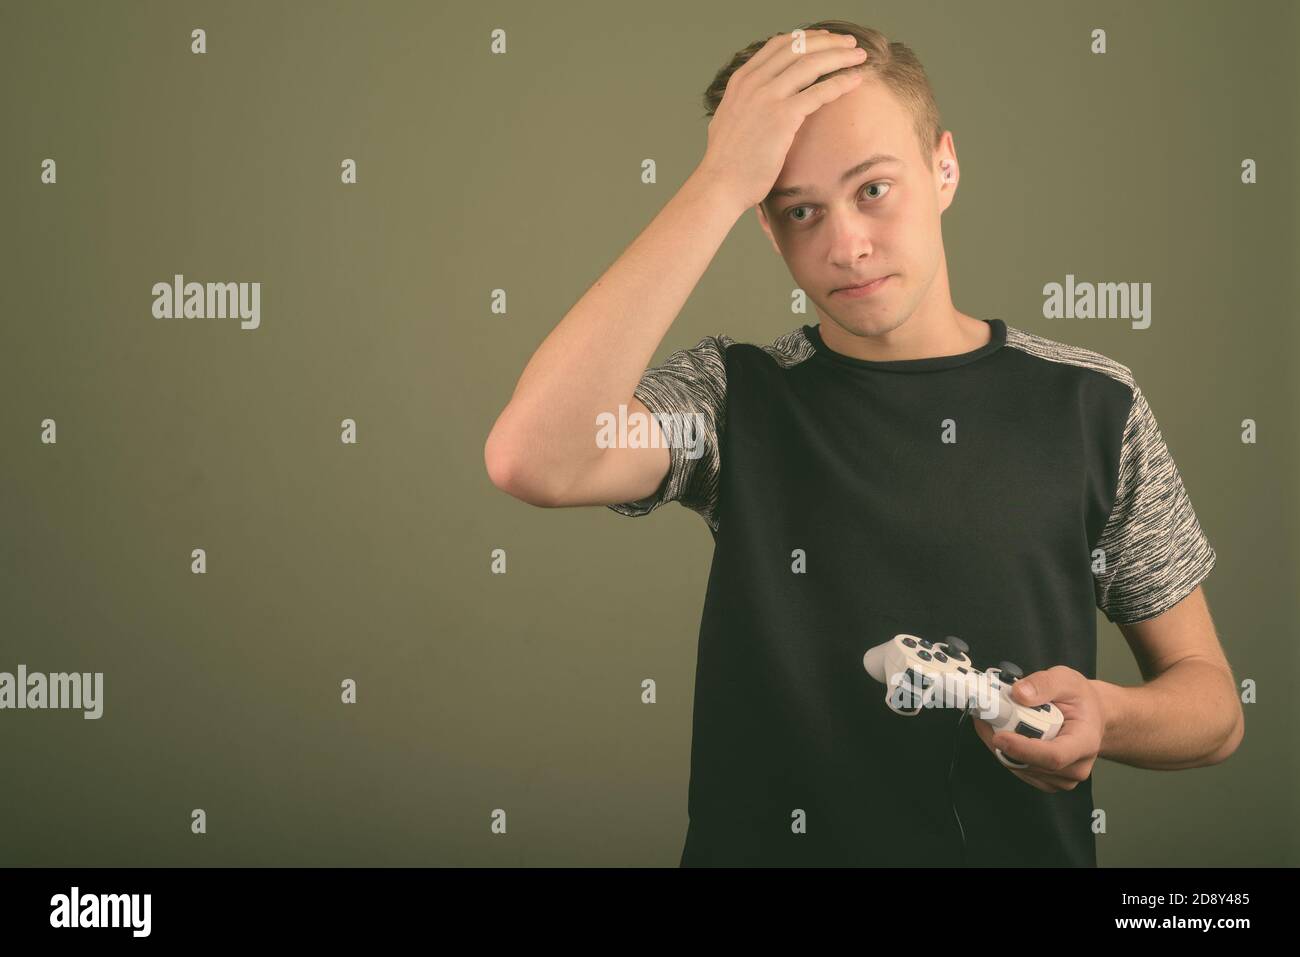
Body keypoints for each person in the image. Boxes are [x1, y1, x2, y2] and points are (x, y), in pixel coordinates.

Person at [484, 19, 1243, 866]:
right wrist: (719, 181)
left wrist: (1109, 713)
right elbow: (535, 456)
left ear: (943, 165)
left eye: (873, 189)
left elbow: (1212, 706)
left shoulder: (1093, 402)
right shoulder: (735, 399)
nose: (845, 245)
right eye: (798, 210)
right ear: (766, 229)